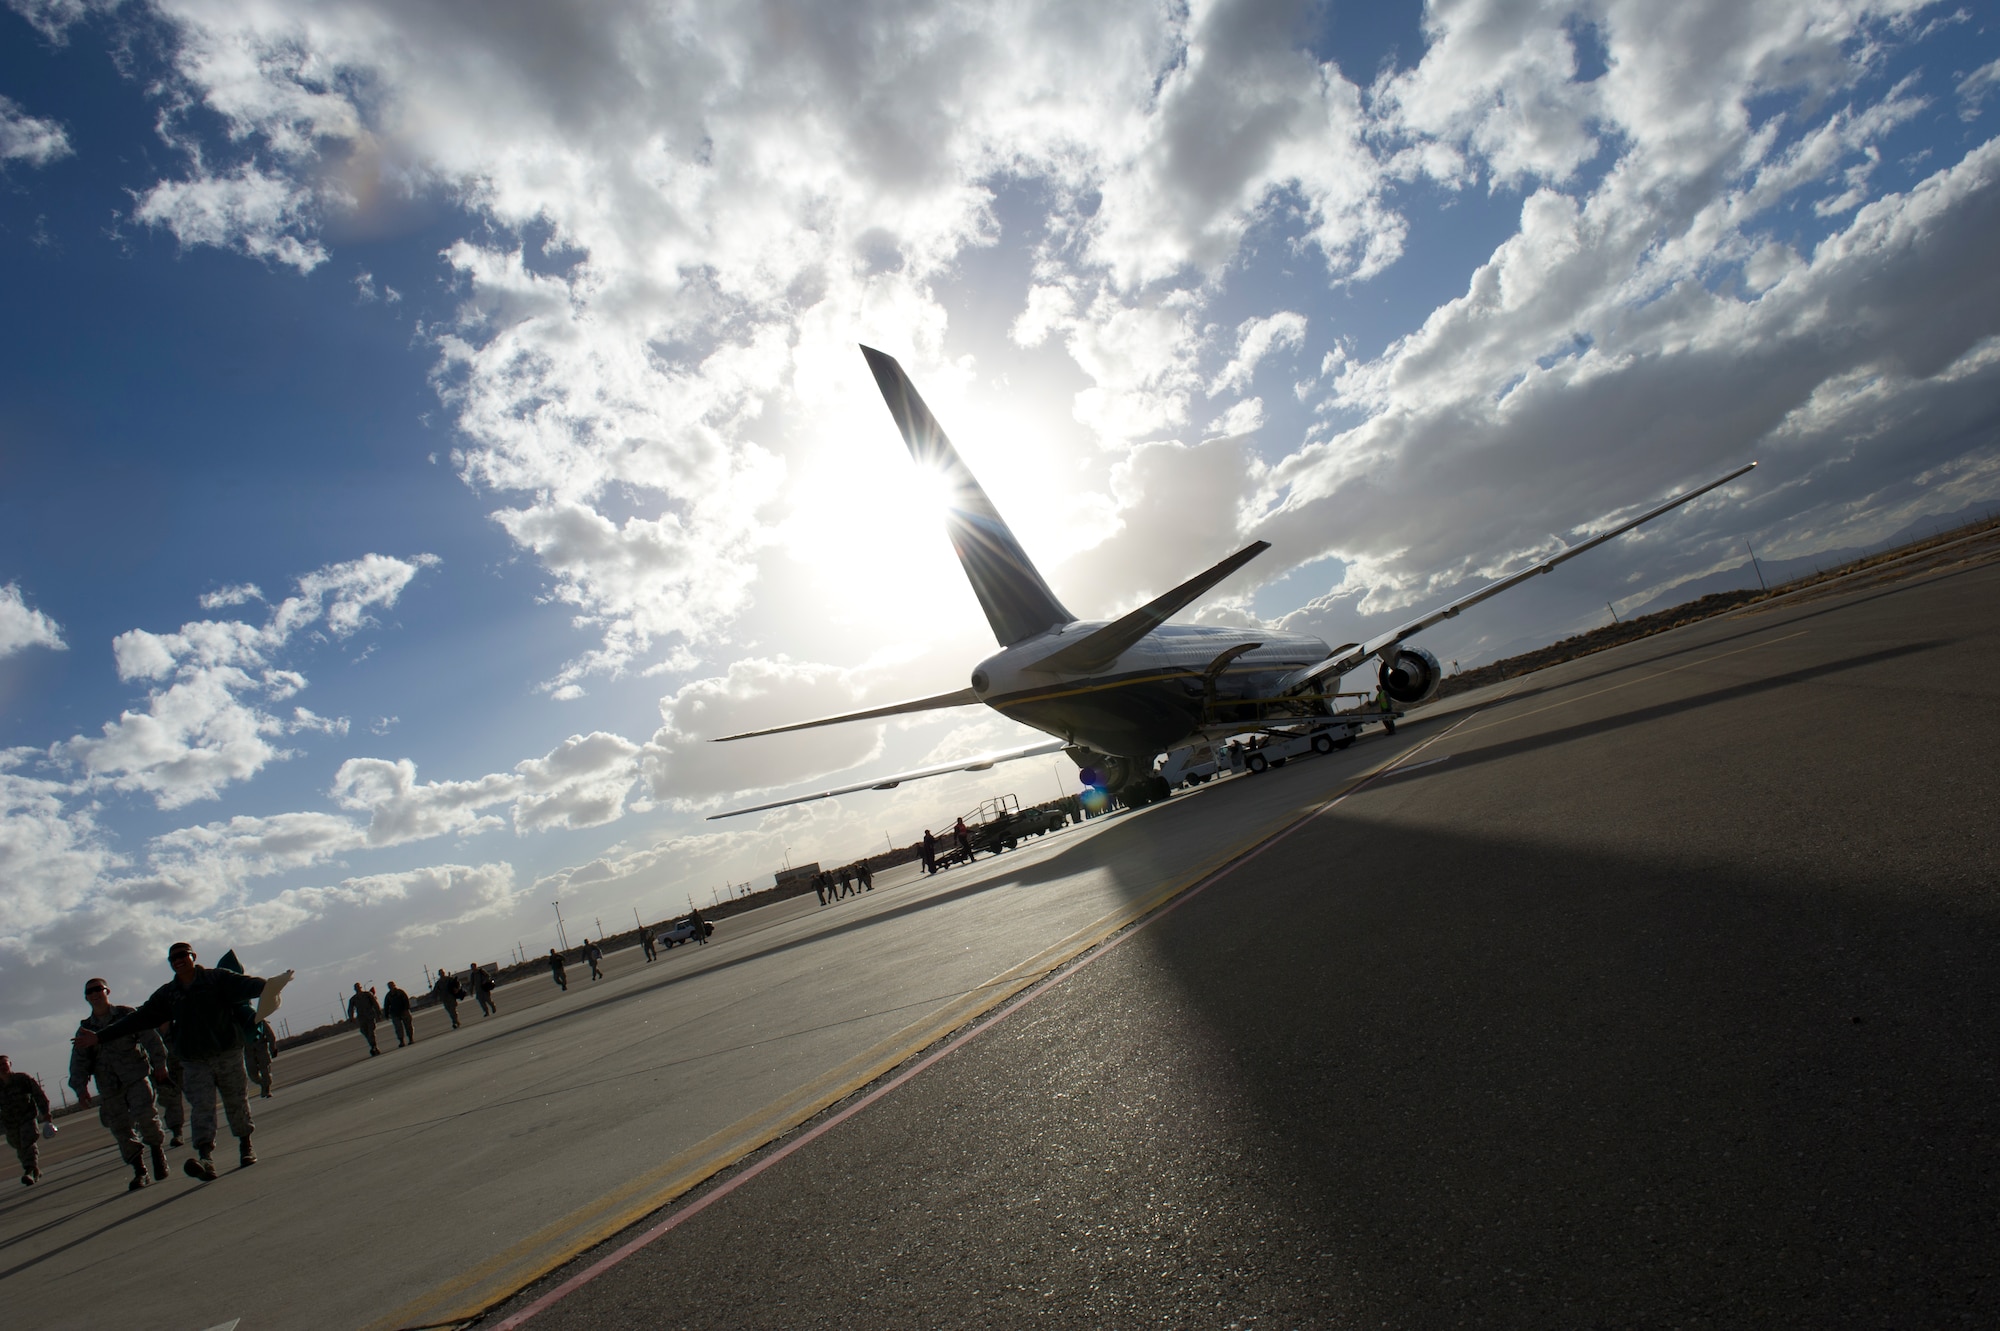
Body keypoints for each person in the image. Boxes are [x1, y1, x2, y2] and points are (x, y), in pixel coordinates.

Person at [74, 942, 283, 1181]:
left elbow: (247, 984)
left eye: (183, 955)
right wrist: (100, 1037)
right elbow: (138, 1019)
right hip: (193, 1060)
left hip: (226, 1053)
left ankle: (246, 1146)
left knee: (236, 1101)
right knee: (201, 1108)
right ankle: (206, 1158)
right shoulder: (168, 994)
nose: (178, 960)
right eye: (173, 958)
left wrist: (270, 986)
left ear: (193, 956)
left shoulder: (216, 979)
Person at [69, 978, 172, 1191]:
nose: (95, 994)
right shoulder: (85, 1030)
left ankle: (157, 1153)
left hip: (135, 1077)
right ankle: (140, 1170)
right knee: (120, 1128)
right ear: (86, 997)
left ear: (107, 991)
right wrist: (80, 1089)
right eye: (90, 991)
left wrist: (160, 1064)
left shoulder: (127, 1015)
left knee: (146, 1118)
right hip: (109, 1087)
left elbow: (151, 1040)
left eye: (99, 989)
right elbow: (78, 1062)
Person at [1, 1054, 53, 1186]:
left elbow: (38, 1094)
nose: (2, 1067)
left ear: (10, 1064)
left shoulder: (22, 1079)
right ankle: (35, 1170)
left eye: (4, 1064)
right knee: (18, 1145)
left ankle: (28, 1171)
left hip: (27, 1117)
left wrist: (45, 1112)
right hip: (10, 1122)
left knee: (27, 1142)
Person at [154, 1031, 185, 1148]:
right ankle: (177, 1132)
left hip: (186, 1059)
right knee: (171, 1098)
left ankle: (206, 1131)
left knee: (200, 1098)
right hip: (163, 1065)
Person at [245, 1018, 278, 1098]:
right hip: (249, 1052)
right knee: (252, 1075)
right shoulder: (240, 1024)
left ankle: (267, 1090)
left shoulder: (260, 1020)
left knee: (265, 1072)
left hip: (262, 1050)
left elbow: (270, 1035)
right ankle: (264, 1084)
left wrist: (272, 1048)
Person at [347, 982, 382, 1056]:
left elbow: (375, 1003)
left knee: (371, 1032)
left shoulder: (368, 994)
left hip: (370, 1016)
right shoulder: (353, 999)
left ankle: (374, 1046)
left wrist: (378, 1012)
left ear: (361, 987)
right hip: (362, 1018)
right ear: (354, 989)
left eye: (358, 987)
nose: (357, 988)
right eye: (356, 987)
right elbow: (350, 1009)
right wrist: (351, 1017)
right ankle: (373, 1046)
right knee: (365, 1032)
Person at [383, 981, 415, 1047]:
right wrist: (386, 1014)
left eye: (392, 985)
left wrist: (407, 1009)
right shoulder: (388, 995)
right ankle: (401, 1041)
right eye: (389, 986)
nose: (391, 987)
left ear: (394, 985)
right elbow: (386, 1005)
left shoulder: (400, 992)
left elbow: (406, 1000)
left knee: (408, 1026)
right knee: (398, 1028)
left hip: (404, 1012)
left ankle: (411, 1039)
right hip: (395, 1014)